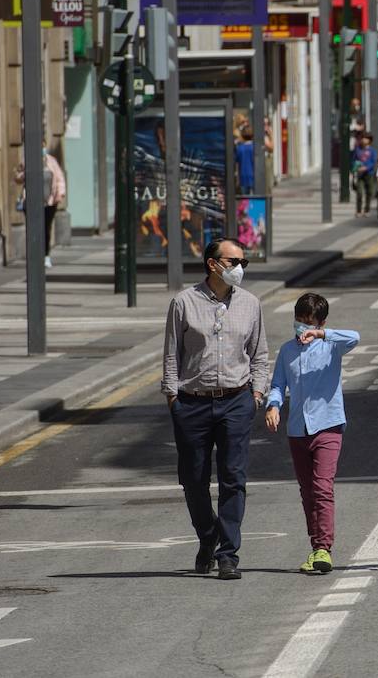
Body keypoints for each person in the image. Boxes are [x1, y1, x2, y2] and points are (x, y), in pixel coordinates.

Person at [162, 238, 268, 580]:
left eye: (243, 262)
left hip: (237, 400)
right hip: (191, 402)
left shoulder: (250, 304)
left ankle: (228, 554)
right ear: (212, 264)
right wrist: (173, 399)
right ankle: (208, 536)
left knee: (233, 478)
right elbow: (171, 355)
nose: (239, 268)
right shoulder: (183, 303)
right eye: (234, 261)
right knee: (193, 479)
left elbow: (260, 354)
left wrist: (256, 393)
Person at [265, 292, 359, 575]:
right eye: (299, 320)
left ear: (320, 323)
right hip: (297, 429)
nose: (302, 327)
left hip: (328, 425)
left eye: (309, 322)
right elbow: (278, 384)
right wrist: (273, 405)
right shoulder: (287, 351)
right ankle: (316, 545)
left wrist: (322, 334)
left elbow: (354, 337)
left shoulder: (331, 346)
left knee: (322, 487)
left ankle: (323, 548)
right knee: (307, 492)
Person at [14, 140, 67, 269]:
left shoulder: (51, 161)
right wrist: (21, 173)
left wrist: (60, 194)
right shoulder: (27, 161)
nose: (41, 149)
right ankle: (34, 255)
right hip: (31, 201)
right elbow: (18, 179)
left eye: (43, 146)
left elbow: (60, 179)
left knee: (45, 229)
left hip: (49, 202)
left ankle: (46, 256)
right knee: (33, 229)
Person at [351, 132, 377, 216]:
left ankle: (367, 210)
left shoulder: (372, 151)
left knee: (369, 192)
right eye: (362, 138)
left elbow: (373, 162)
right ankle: (358, 210)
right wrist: (355, 169)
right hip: (359, 174)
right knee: (359, 192)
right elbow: (353, 160)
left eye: (365, 138)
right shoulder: (357, 149)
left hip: (369, 173)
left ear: (369, 140)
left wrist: (366, 168)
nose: (363, 140)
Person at [235, 126, 256, 196]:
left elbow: (237, 164)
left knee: (245, 199)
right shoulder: (254, 147)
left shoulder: (239, 148)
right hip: (253, 175)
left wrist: (237, 178)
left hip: (242, 176)